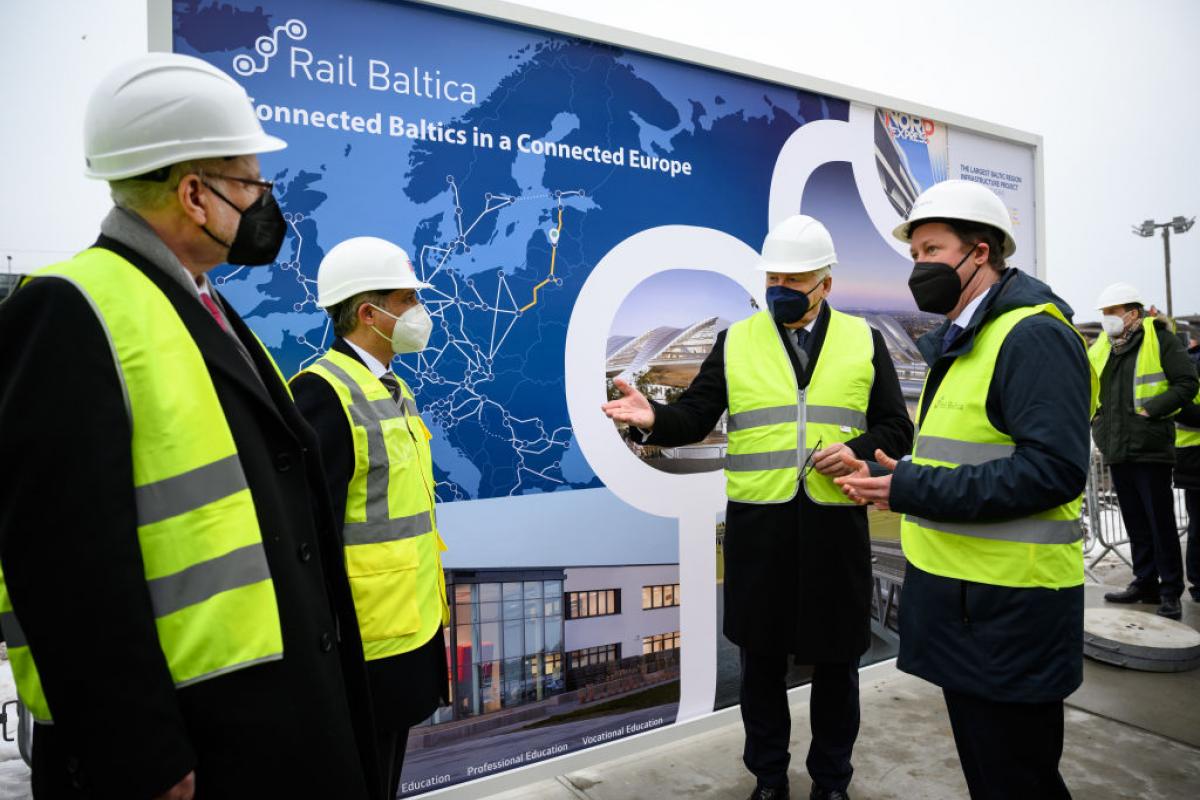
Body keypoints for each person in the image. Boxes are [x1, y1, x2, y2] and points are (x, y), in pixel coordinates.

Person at [0, 53, 377, 799]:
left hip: (264, 717)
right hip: (193, 745)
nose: (264, 202)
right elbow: (59, 566)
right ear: (196, 195)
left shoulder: (197, 299)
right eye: (252, 183)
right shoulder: (69, 309)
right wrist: (142, 754)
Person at [602, 215, 912, 800]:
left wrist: (859, 449)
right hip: (759, 528)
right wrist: (653, 420)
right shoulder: (737, 341)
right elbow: (694, 416)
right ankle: (769, 778)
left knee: (837, 666)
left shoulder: (864, 340)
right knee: (761, 665)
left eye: (794, 279)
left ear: (825, 283)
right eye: (774, 277)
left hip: (834, 527)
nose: (781, 288)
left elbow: (897, 427)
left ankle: (831, 782)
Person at [835, 179, 1097, 799]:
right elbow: (970, 453)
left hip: (1013, 607)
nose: (918, 267)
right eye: (914, 254)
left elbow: (1054, 471)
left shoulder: (1031, 336)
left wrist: (911, 487)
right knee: (991, 774)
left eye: (932, 250)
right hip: (969, 604)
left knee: (1018, 779)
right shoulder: (966, 341)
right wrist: (902, 472)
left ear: (980, 253)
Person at [290, 237, 450, 800]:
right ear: (369, 314)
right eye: (408, 300)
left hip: (409, 624)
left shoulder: (394, 387)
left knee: (386, 774)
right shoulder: (320, 394)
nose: (419, 312)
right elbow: (309, 535)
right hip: (364, 641)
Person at [1090, 282, 1198, 620]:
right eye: (1104, 313)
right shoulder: (1105, 346)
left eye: (1112, 312)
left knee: (1159, 522)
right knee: (1134, 521)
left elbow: (1187, 383)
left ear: (1132, 313)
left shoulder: (1160, 339)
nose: (1107, 318)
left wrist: (1154, 409)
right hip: (1117, 447)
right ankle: (1144, 581)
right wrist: (1098, 424)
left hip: (1150, 446)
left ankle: (1170, 590)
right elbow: (1089, 388)